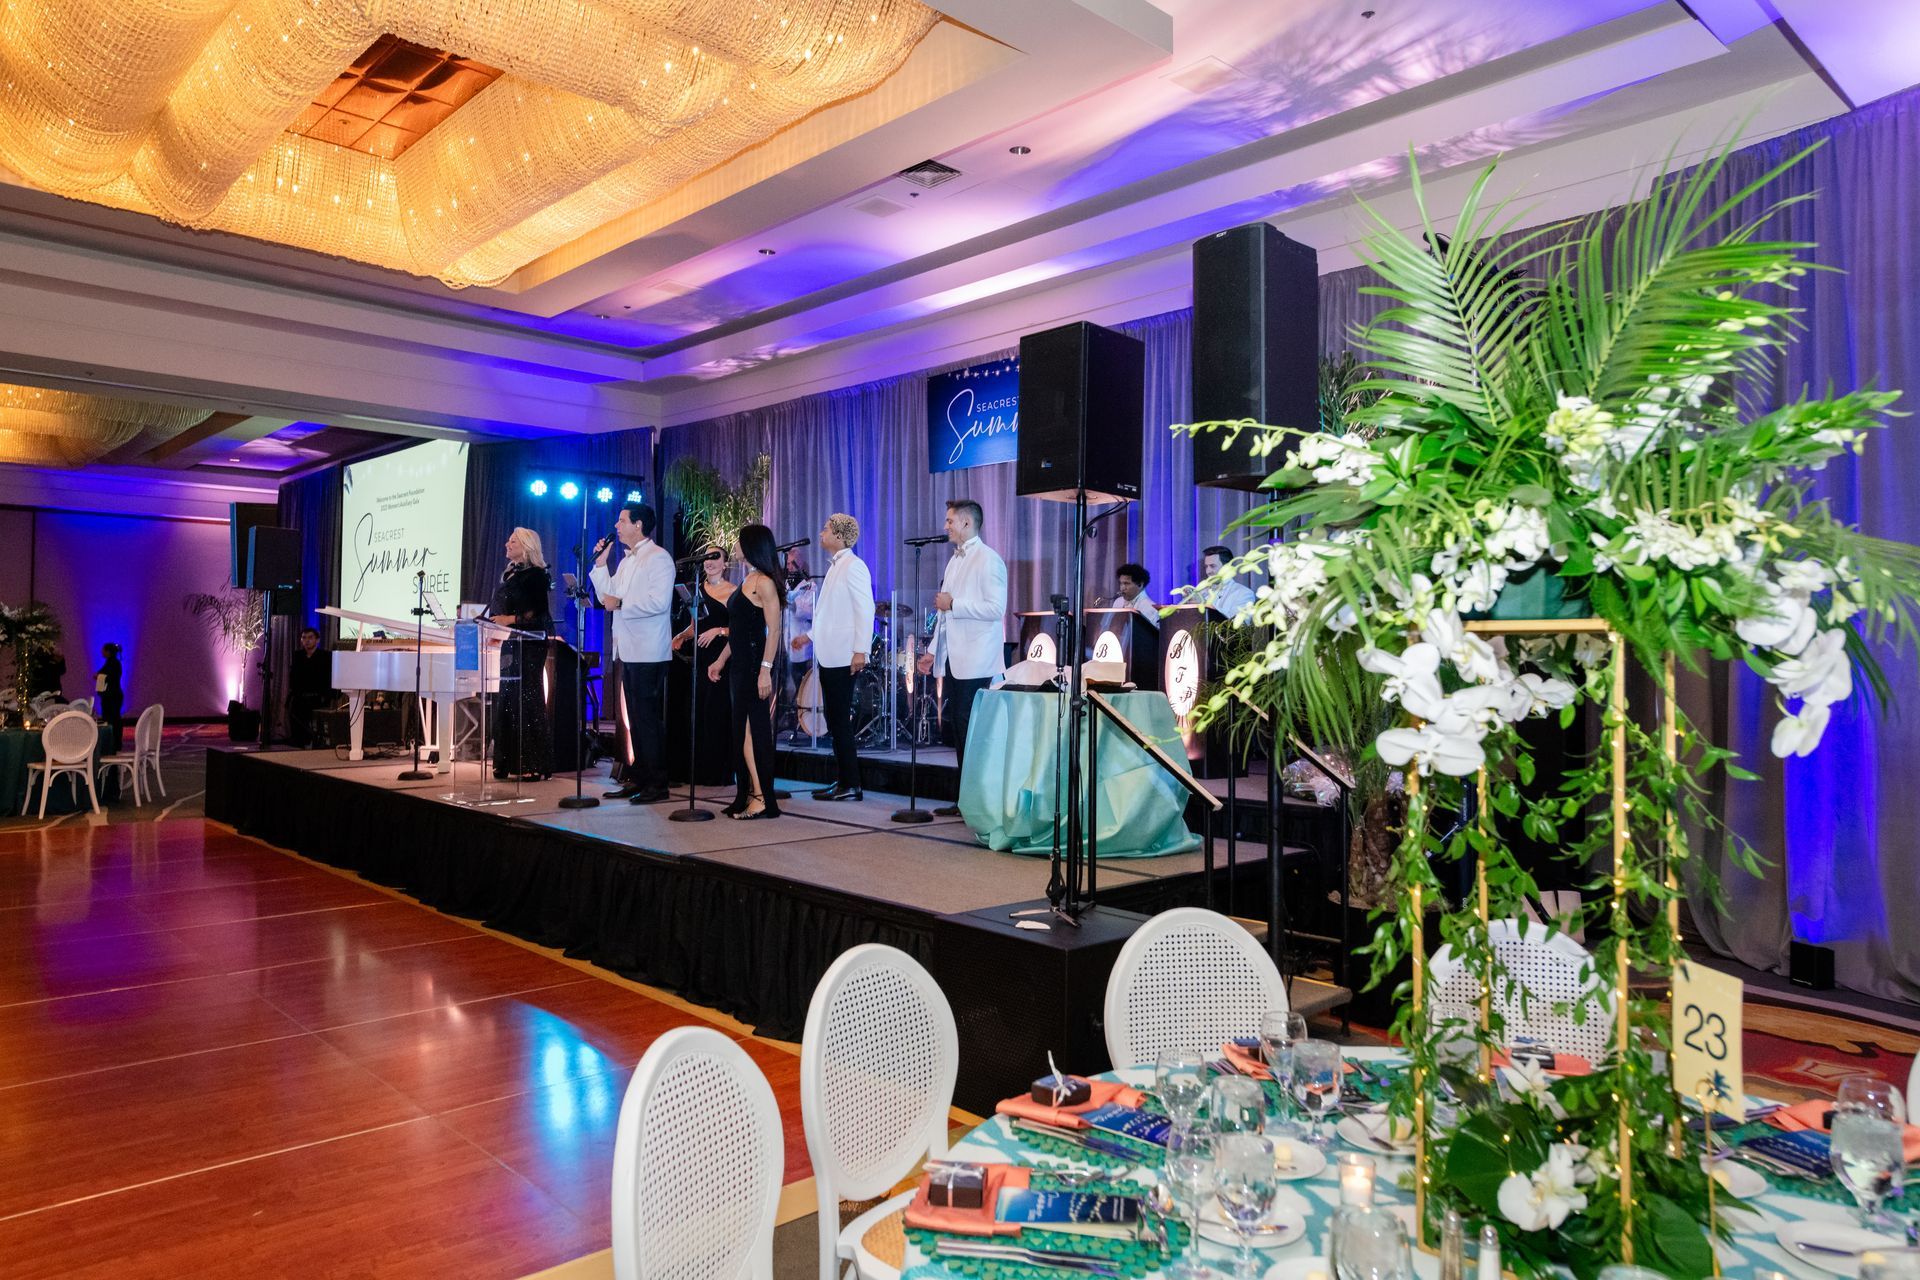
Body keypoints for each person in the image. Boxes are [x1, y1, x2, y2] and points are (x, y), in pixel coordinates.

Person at [918, 498, 1007, 815]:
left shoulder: (989, 559)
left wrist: (954, 603)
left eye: (950, 521)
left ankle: (978, 800)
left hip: (978, 659)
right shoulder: (954, 561)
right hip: (955, 659)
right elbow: (944, 615)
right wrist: (932, 651)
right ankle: (965, 800)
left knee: (973, 730)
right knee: (958, 729)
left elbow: (995, 609)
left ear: (967, 523)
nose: (945, 526)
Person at [591, 501, 674, 804]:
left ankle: (657, 783)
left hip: (649, 651)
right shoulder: (626, 561)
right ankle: (638, 777)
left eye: (622, 520)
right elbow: (607, 597)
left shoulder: (659, 558)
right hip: (629, 649)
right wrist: (601, 564)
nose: (616, 526)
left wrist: (623, 604)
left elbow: (659, 602)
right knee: (635, 720)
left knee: (647, 719)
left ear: (638, 525)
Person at [803, 513, 875, 801]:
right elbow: (829, 613)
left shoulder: (854, 566)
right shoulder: (836, 566)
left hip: (845, 655)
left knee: (839, 720)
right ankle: (844, 779)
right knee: (833, 719)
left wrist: (861, 650)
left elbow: (865, 609)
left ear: (840, 536)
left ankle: (852, 784)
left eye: (826, 528)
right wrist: (808, 636)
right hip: (831, 654)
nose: (822, 532)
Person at [725, 524, 786, 820]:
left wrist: (765, 670)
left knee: (753, 732)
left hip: (754, 665)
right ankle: (748, 793)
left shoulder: (764, 582)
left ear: (751, 546)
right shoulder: (748, 578)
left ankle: (761, 797)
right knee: (741, 733)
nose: (735, 547)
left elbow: (774, 630)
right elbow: (738, 629)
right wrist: (720, 660)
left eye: (739, 542)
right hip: (739, 665)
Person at [486, 527, 555, 780]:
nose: (507, 544)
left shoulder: (536, 575)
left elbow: (537, 614)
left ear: (525, 546)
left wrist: (509, 619)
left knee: (527, 698)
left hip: (531, 644)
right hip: (512, 642)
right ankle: (506, 761)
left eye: (512, 541)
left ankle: (532, 762)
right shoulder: (511, 574)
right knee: (507, 698)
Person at [668, 546, 735, 788]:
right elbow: (695, 626)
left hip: (722, 657)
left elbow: (739, 629)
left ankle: (717, 773)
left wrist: (718, 631)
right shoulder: (697, 589)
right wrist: (681, 636)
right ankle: (698, 771)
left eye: (716, 557)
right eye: (707, 557)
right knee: (697, 712)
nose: (710, 561)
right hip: (701, 657)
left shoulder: (734, 592)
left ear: (725, 563)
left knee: (716, 713)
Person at [783, 547, 816, 727]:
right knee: (786, 682)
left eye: (793, 563)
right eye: (788, 563)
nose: (789, 567)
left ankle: (803, 722)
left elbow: (808, 612)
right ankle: (789, 719)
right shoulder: (785, 585)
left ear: (801, 564)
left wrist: (790, 601)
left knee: (801, 683)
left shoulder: (810, 586)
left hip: (802, 643)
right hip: (785, 642)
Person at [287, 627, 334, 748]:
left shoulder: (325, 656)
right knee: (297, 725)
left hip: (318, 697)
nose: (307, 640)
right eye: (304, 638)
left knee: (318, 726)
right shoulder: (297, 655)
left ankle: (317, 746)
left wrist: (326, 695)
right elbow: (293, 676)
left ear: (317, 640)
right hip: (300, 697)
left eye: (310, 637)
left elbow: (328, 677)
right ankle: (299, 746)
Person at [1196, 544, 1257, 622]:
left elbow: (1239, 624)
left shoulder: (1244, 593)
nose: (1208, 571)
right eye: (1206, 567)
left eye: (1212, 566)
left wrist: (1204, 604)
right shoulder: (1201, 592)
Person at [95, 642, 125, 751]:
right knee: (113, 718)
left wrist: (99, 676)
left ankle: (114, 742)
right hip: (112, 695)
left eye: (103, 650)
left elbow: (110, 677)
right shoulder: (111, 662)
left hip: (112, 696)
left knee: (113, 719)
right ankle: (113, 742)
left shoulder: (113, 663)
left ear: (108, 652)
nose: (102, 652)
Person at [1115, 563, 1159, 629]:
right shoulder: (1118, 602)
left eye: (1126, 583)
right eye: (1121, 583)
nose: (1122, 588)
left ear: (1140, 584)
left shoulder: (1150, 608)